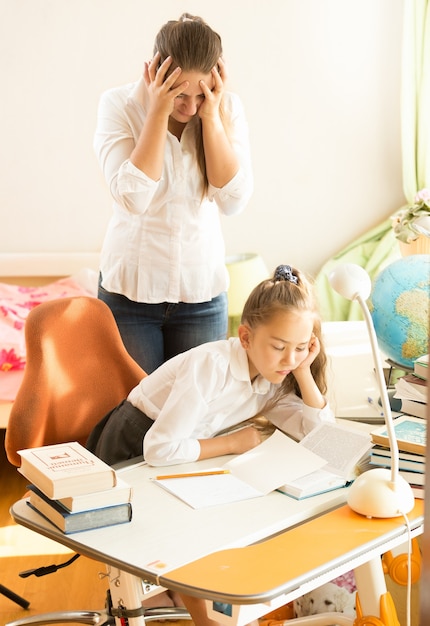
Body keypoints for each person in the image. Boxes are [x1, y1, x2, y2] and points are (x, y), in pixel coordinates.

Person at [86, 263, 335, 626]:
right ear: (246, 336)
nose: (289, 359)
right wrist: (233, 443)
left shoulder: (276, 376)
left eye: (301, 348)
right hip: (132, 450)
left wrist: (302, 373)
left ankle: (190, 603)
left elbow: (316, 430)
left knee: (220, 519)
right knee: (185, 535)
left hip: (181, 454)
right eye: (280, 347)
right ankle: (156, 601)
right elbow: (159, 449)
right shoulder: (212, 366)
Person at [93, 13, 253, 373]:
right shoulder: (118, 105)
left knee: (195, 416)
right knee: (137, 418)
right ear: (153, 72)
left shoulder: (226, 109)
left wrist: (211, 118)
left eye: (201, 93)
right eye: (180, 94)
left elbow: (233, 201)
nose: (190, 107)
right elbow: (133, 198)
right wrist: (157, 112)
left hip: (201, 295)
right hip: (129, 295)